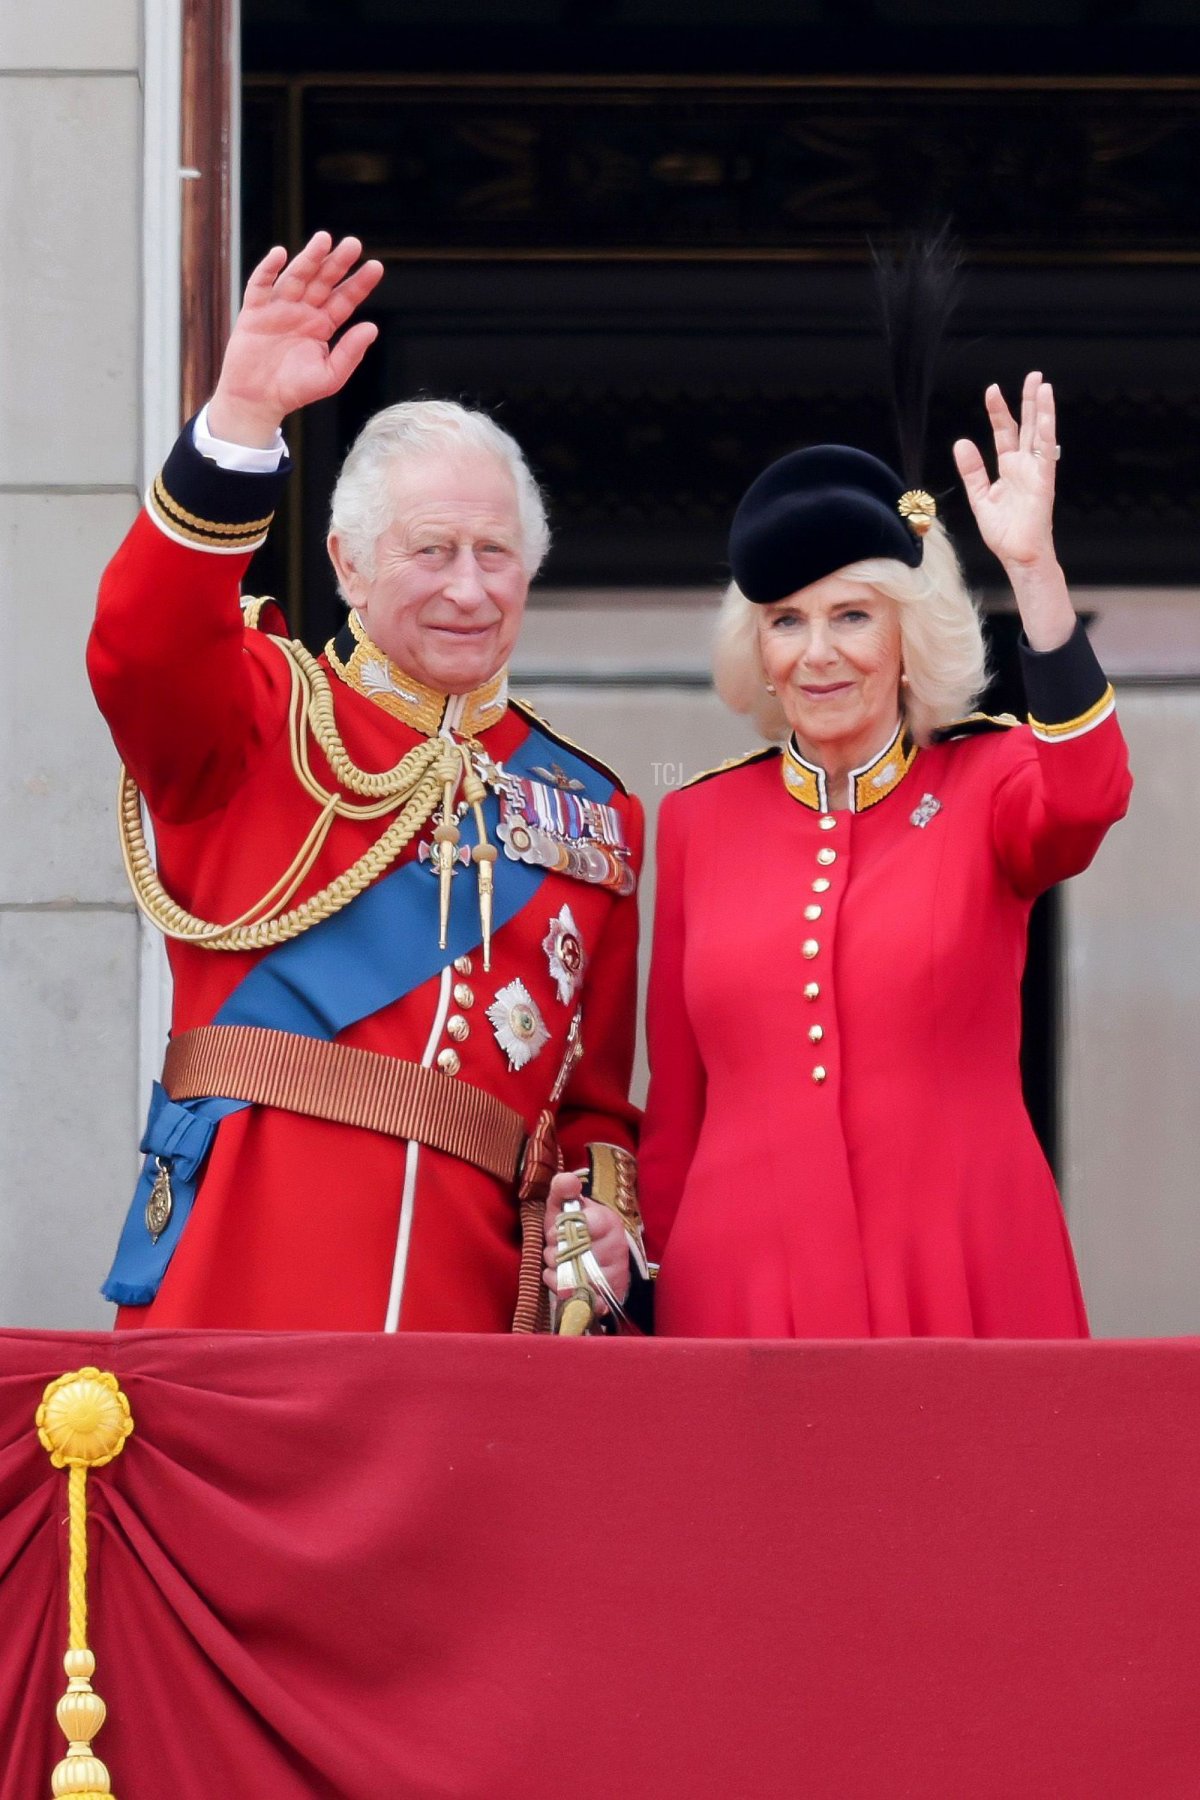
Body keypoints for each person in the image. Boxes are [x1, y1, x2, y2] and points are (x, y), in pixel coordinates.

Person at [89, 232, 645, 1333]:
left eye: (496, 555)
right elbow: (140, 643)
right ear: (346, 563)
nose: (469, 589)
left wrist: (611, 1232)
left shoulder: (592, 810)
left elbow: (591, 1106)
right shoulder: (257, 714)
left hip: (470, 1313)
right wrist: (240, 419)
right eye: (430, 552)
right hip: (242, 1281)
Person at [638, 373, 1131, 1338]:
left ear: (910, 635)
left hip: (962, 1261)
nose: (818, 654)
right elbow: (675, 1114)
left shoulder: (987, 782)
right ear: (760, 650)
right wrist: (657, 1296)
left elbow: (1089, 794)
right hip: (740, 1286)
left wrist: (1034, 573)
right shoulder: (700, 821)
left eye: (852, 616)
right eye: (787, 621)